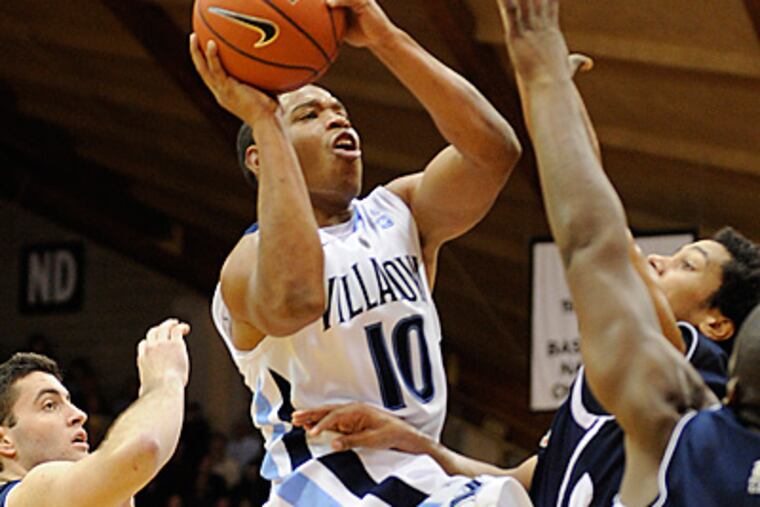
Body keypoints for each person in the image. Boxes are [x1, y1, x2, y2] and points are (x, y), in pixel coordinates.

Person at [291, 3, 760, 507]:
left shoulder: (684, 371)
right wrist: (419, 446)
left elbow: (602, 237)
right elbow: (525, 482)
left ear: (717, 325)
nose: (660, 261)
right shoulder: (628, 398)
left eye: (687, 265)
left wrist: (547, 79)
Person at [189, 0, 525, 504]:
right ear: (260, 154)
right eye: (310, 113)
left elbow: (495, 151)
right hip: (323, 482)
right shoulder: (247, 259)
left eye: (341, 112)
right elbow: (297, 298)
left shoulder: (401, 212)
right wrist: (263, 117)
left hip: (420, 467)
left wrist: (388, 39)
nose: (338, 120)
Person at [0, 318, 190, 507]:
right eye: (49, 405)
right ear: (4, 441)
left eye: (70, 401)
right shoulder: (28, 496)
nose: (79, 415)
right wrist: (164, 379)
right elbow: (142, 448)